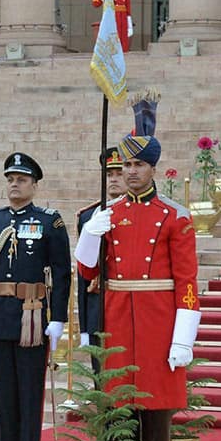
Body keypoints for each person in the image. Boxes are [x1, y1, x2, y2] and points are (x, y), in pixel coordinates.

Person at [74, 101, 202, 441]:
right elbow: (89, 271)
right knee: (118, 404)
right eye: (124, 165)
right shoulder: (107, 214)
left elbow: (186, 281)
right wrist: (90, 236)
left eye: (137, 165)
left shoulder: (175, 216)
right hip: (117, 314)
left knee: (156, 408)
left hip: (158, 318)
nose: (129, 172)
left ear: (152, 169)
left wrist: (184, 335)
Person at [0, 153, 71, 441]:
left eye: (22, 180)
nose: (15, 185)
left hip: (32, 314)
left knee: (29, 394)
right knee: (4, 394)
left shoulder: (48, 221)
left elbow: (61, 272)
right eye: (11, 179)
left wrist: (58, 318)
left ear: (35, 186)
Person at [75, 147, 127, 365]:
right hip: (98, 304)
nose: (113, 179)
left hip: (126, 302)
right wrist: (85, 326)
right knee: (100, 375)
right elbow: (83, 275)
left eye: (119, 173)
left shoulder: (141, 211)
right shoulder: (89, 216)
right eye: (109, 174)